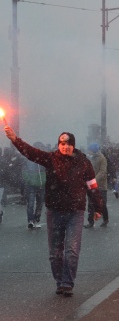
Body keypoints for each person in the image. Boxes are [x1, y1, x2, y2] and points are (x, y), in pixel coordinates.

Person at [4, 126, 103, 297]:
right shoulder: (50, 159)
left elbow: (92, 186)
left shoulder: (84, 162)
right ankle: (60, 281)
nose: (65, 147)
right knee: (55, 252)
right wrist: (14, 139)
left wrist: (98, 207)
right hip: (55, 211)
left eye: (69, 144)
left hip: (76, 211)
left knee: (72, 250)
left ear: (73, 146)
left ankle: (67, 283)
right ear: (58, 145)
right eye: (62, 144)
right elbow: (30, 152)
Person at [22, 142, 46, 228]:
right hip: (31, 185)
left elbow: (48, 171)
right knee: (31, 203)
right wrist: (29, 180)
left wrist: (45, 180)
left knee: (40, 204)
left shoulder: (44, 159)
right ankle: (31, 220)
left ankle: (36, 218)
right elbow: (24, 171)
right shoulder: (29, 158)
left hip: (41, 185)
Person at [85, 143, 109, 228]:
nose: (89, 152)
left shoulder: (102, 159)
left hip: (101, 185)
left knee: (102, 204)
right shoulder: (89, 159)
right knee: (90, 204)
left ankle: (105, 220)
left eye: (90, 150)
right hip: (91, 185)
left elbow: (102, 172)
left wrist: (94, 180)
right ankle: (90, 222)